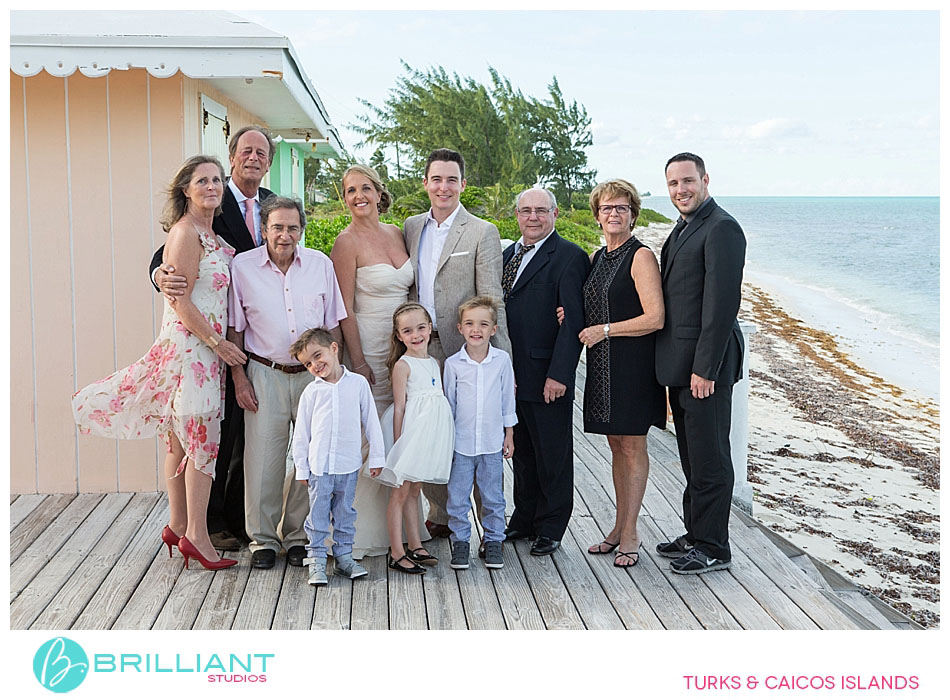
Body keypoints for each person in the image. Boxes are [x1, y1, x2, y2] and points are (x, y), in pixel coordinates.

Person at [73, 155, 246, 570]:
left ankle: (177, 524)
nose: (212, 186)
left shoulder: (210, 231)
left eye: (217, 180)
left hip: (202, 351)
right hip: (194, 352)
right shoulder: (186, 233)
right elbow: (180, 300)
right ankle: (199, 539)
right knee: (202, 442)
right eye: (202, 180)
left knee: (179, 439)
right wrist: (219, 345)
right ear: (185, 189)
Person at [151, 125, 277, 551]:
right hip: (205, 342)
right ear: (233, 156)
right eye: (247, 150)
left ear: (269, 161)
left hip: (255, 335)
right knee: (206, 432)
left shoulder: (275, 206)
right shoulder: (211, 203)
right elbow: (166, 257)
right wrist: (158, 274)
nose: (254, 157)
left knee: (240, 431)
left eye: (262, 152)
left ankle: (234, 521)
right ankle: (209, 524)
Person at [227, 196, 347, 570]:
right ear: (263, 230)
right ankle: (262, 539)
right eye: (277, 227)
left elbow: (334, 325)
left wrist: (336, 377)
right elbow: (234, 328)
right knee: (263, 460)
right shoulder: (242, 268)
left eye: (292, 227)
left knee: (310, 459)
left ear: (301, 230)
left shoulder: (320, 265)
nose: (285, 235)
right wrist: (239, 378)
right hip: (264, 374)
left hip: (314, 376)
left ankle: (298, 537)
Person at [402, 148, 511, 540]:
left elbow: (492, 298)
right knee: (430, 428)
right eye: (436, 179)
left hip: (468, 348)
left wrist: (504, 361)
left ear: (463, 184)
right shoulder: (411, 226)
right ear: (426, 183)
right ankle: (443, 513)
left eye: (451, 179)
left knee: (475, 434)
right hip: (422, 349)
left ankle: (490, 524)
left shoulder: (482, 231)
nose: (443, 187)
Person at [329, 164, 428, 559]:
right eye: (350, 190)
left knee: (403, 431)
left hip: (405, 347)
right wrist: (357, 361)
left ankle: (406, 528)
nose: (359, 196)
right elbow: (344, 309)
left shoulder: (397, 232)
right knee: (372, 434)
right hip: (368, 345)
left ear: (377, 192)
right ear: (345, 198)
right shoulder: (345, 243)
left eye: (365, 187)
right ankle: (362, 529)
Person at [655, 153, 746, 575]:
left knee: (710, 458)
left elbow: (721, 306)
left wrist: (705, 370)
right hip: (681, 364)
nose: (680, 190)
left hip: (705, 369)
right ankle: (695, 533)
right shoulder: (686, 226)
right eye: (673, 184)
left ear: (705, 179)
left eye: (687, 181)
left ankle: (714, 547)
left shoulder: (722, 228)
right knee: (692, 456)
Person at [578, 179, 666, 568]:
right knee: (616, 445)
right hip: (602, 366)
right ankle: (617, 527)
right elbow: (597, 305)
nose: (614, 214)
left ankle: (631, 532)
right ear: (597, 215)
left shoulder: (640, 256)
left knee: (633, 447)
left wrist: (606, 330)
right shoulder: (598, 257)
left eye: (622, 208)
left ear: (633, 215)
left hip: (633, 366)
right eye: (607, 208)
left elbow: (655, 317)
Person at [502, 188, 589, 556]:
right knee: (521, 452)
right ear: (517, 215)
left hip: (547, 374)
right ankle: (524, 517)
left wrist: (560, 375)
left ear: (554, 214)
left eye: (541, 210)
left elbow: (573, 323)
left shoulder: (569, 257)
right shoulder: (508, 255)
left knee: (552, 453)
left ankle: (551, 526)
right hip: (510, 373)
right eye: (526, 211)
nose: (533, 217)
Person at [289, 327, 385, 586]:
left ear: (334, 348)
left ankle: (343, 557)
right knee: (318, 516)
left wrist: (377, 457)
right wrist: (302, 468)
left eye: (317, 356)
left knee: (345, 514)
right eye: (308, 363)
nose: (315, 365)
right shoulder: (312, 392)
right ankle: (317, 560)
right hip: (319, 467)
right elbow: (302, 435)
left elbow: (371, 422)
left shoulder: (357, 384)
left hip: (348, 465)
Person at [377, 302, 455, 574]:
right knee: (399, 492)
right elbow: (400, 406)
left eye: (421, 328)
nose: (416, 334)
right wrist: (399, 444)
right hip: (409, 435)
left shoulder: (435, 362)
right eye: (407, 331)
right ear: (399, 336)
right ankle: (396, 551)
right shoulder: (403, 365)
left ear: (430, 328)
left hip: (428, 435)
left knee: (414, 490)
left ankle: (416, 543)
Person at [443, 296, 516, 570]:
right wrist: (446, 441)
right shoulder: (453, 364)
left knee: (493, 495)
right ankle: (460, 542)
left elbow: (508, 399)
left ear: (493, 330)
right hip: (461, 444)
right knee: (458, 496)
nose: (477, 330)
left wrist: (509, 435)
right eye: (470, 324)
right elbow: (449, 404)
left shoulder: (501, 361)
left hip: (491, 443)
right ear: (460, 328)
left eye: (484, 324)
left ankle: (494, 540)